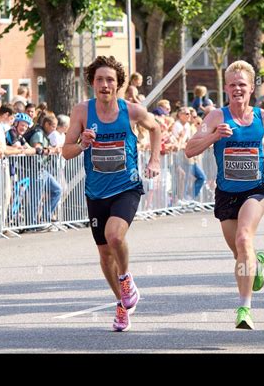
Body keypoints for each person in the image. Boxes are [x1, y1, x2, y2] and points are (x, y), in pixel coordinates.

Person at [185, 60, 264, 330]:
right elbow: (189, 149)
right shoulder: (216, 118)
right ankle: (258, 261)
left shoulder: (262, 116)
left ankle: (245, 308)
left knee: (244, 239)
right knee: (240, 254)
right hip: (226, 195)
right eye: (232, 85)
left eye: (242, 84)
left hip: (254, 192)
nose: (237, 89)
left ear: (251, 88)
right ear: (225, 88)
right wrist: (214, 137)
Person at [62, 56, 161, 332]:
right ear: (92, 83)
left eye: (110, 80)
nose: (105, 85)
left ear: (118, 85)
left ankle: (126, 278)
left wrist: (154, 160)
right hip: (96, 192)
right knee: (105, 255)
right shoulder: (82, 112)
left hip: (126, 186)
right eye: (100, 80)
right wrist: (82, 143)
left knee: (115, 235)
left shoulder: (131, 111)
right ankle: (121, 303)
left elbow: (156, 128)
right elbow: (65, 151)